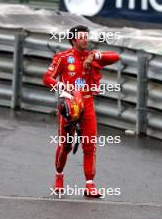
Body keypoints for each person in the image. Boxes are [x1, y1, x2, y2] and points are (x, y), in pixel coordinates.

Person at [43, 25, 120, 197]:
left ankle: (89, 184)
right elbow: (47, 78)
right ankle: (59, 177)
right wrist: (62, 87)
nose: (86, 39)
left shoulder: (92, 57)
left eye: (87, 36)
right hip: (69, 106)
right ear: (73, 39)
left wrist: (94, 55)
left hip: (87, 105)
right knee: (65, 145)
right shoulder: (62, 58)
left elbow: (116, 57)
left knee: (90, 145)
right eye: (82, 37)